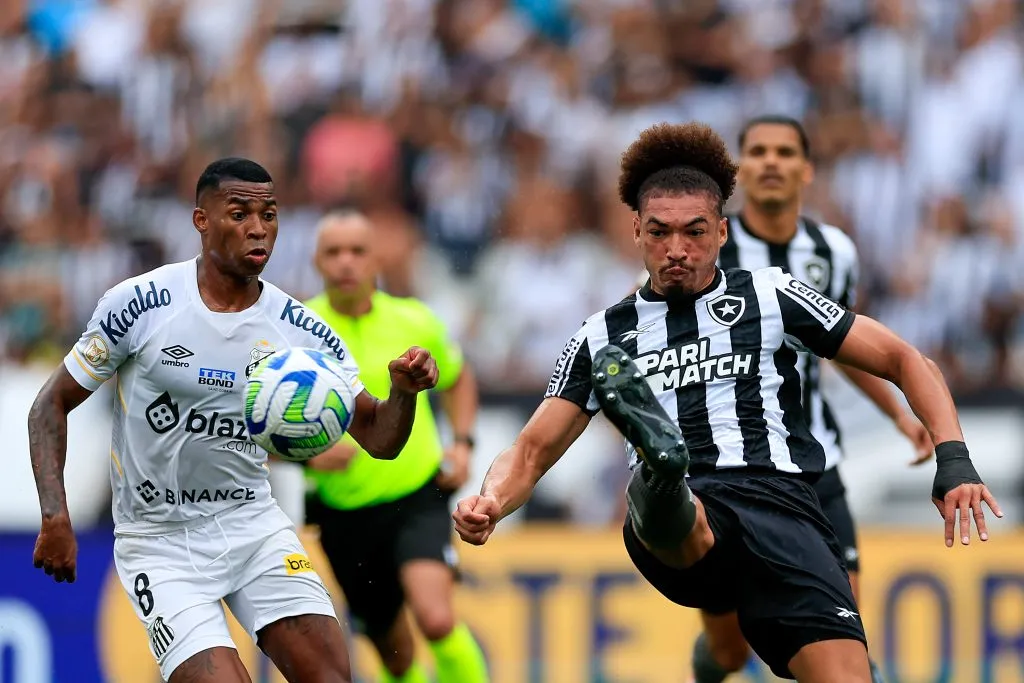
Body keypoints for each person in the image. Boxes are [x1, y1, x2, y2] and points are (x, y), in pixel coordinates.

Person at [453, 123, 1000, 683]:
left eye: (694, 232)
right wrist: (490, 501)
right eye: (659, 232)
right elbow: (530, 452)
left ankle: (704, 630)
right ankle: (662, 468)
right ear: (636, 230)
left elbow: (905, 360)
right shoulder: (603, 335)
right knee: (676, 500)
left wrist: (954, 459)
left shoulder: (770, 294)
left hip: (784, 508)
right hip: (689, 513)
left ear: (720, 231)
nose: (676, 250)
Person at [27, 158, 439, 683]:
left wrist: (403, 393)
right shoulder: (141, 304)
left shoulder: (300, 331)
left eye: (269, 215)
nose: (258, 228)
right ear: (202, 220)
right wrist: (55, 516)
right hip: (158, 540)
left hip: (252, 524)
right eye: (240, 213)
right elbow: (49, 406)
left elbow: (380, 438)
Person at [681, 114, 933, 683]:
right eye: (758, 152)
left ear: (807, 169)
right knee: (729, 651)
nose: (771, 162)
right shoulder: (704, 244)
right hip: (729, 470)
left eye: (785, 152)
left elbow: (842, 342)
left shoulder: (833, 250)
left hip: (814, 460)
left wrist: (899, 414)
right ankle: (712, 662)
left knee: (841, 635)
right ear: (740, 170)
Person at [303, 210, 489, 683]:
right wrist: (307, 453)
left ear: (376, 260)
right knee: (396, 657)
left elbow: (458, 376)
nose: (346, 262)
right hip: (343, 514)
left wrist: (462, 444)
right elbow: (256, 421)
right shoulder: (297, 330)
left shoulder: (414, 319)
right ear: (316, 262)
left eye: (357, 251)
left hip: (416, 495)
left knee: (436, 618)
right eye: (333, 252)